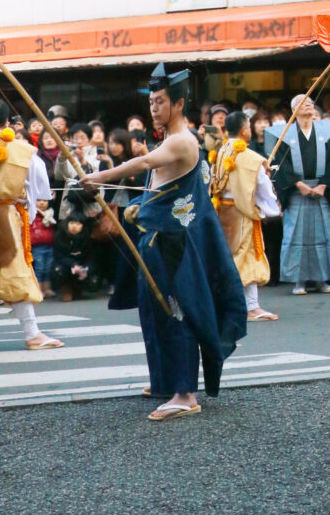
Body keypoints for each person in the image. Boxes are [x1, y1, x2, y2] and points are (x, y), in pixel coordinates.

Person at [80, 64, 247, 421]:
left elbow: (146, 162)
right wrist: (139, 206)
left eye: (160, 102)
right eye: (152, 102)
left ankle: (185, 392)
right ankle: (165, 381)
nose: (154, 108)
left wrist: (101, 176)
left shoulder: (183, 140)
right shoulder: (168, 139)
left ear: (179, 103)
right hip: (157, 239)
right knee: (154, 310)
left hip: (174, 244)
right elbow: (159, 188)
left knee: (175, 309)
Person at [0, 98, 62, 350]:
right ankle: (32, 334)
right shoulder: (22, 150)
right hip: (2, 218)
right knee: (16, 273)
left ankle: (33, 334)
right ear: (7, 122)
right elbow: (41, 193)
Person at [211, 112, 282, 320]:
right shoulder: (250, 158)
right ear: (243, 129)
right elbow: (263, 187)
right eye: (249, 125)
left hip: (223, 212)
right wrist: (272, 208)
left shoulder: (221, 150)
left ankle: (234, 304)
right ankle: (251, 307)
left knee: (229, 257)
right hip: (241, 214)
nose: (250, 129)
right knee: (248, 257)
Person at [272, 95, 330, 295]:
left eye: (311, 103)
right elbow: (282, 165)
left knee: (321, 236)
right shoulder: (285, 134)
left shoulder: (325, 133)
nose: (309, 105)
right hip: (297, 193)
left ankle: (322, 279)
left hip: (320, 192)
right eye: (303, 103)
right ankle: (299, 281)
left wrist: (323, 185)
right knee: (298, 237)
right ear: (294, 109)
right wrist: (298, 184)